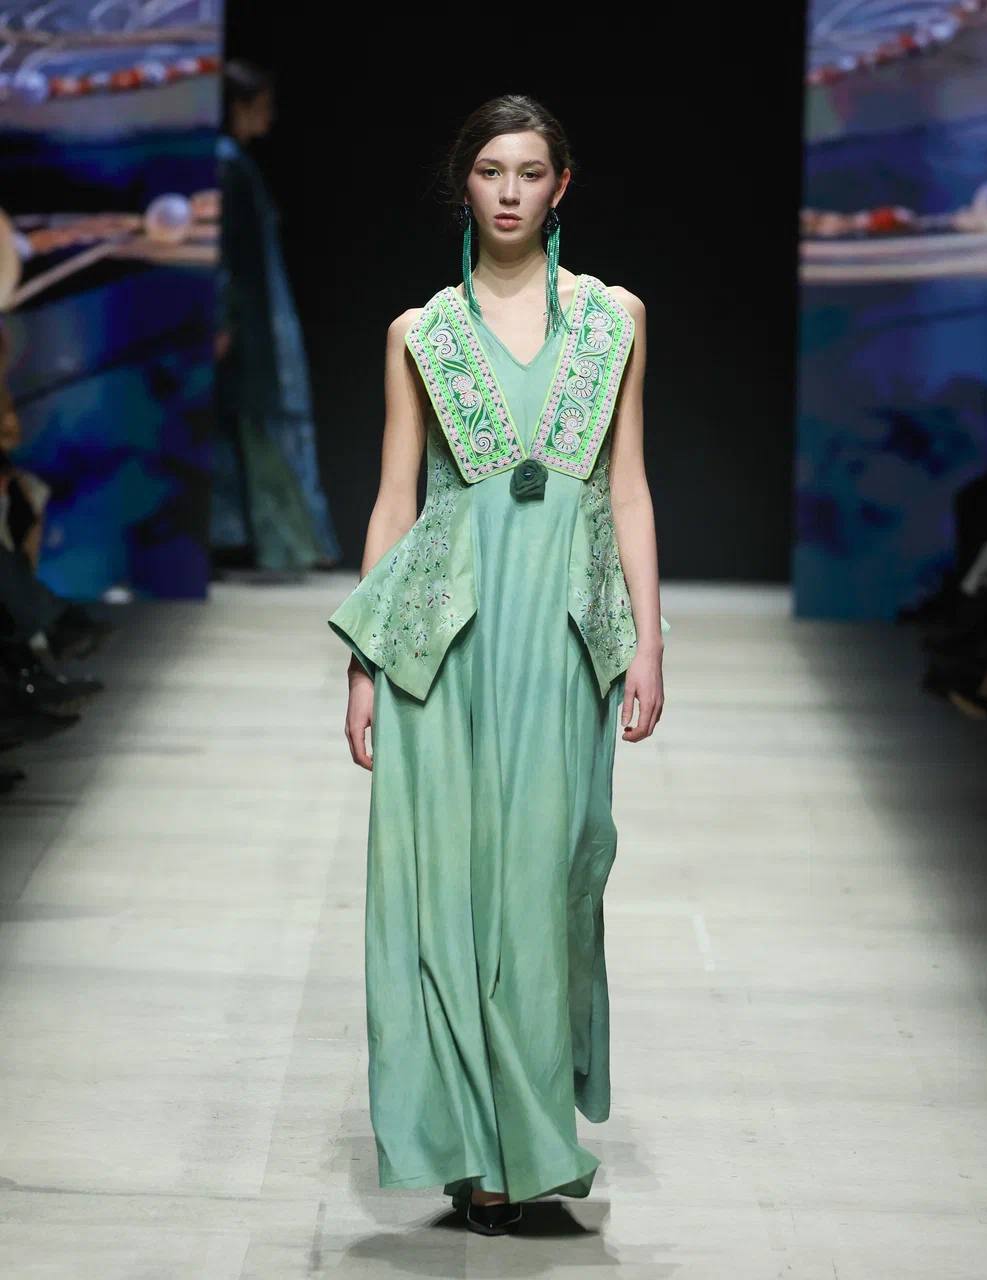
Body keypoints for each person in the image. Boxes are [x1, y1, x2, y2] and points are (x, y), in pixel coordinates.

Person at [326, 94, 670, 1237]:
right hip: (445, 640)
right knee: (450, 889)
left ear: (560, 185)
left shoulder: (614, 319)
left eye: (530, 171)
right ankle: (484, 1155)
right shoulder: (418, 334)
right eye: (489, 171)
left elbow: (627, 485)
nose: (510, 191)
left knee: (546, 872)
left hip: (564, 632)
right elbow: (395, 496)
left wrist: (649, 639)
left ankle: (520, 1135)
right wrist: (363, 663)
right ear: (463, 185)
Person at [211, 58, 341, 574]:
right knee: (254, 422)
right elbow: (224, 251)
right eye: (260, 105)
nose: (268, 116)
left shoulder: (234, 162)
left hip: (257, 310)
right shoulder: (226, 163)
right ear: (237, 107)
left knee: (257, 421)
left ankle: (274, 540)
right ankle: (268, 540)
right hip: (249, 315)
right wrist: (222, 318)